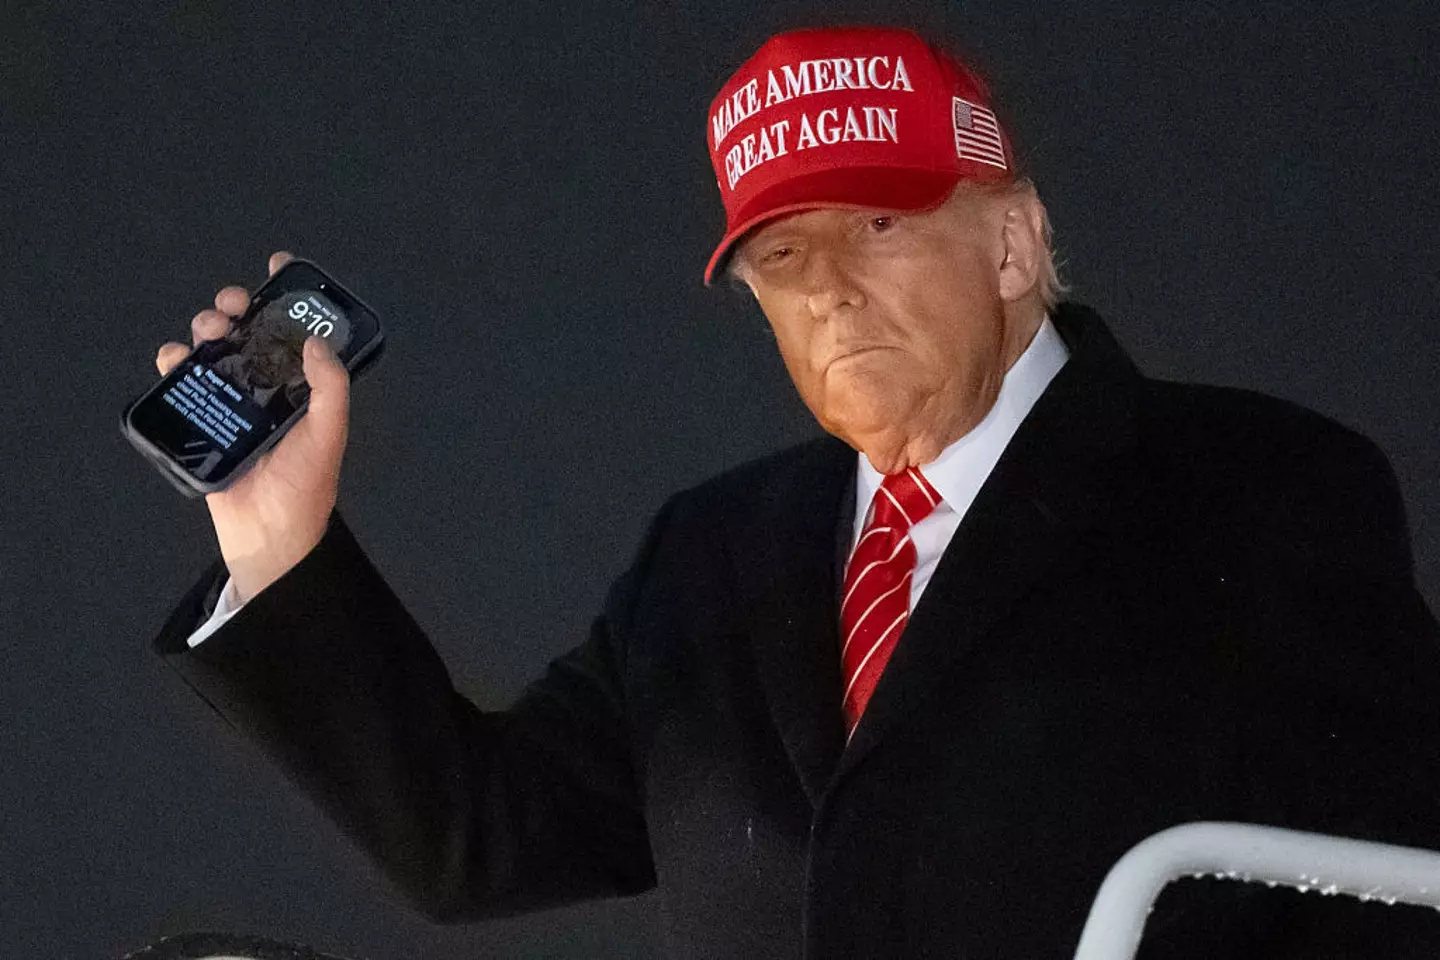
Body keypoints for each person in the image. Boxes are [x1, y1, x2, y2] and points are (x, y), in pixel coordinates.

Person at [149, 25, 1440, 959]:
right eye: (779, 252)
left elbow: (1387, 879)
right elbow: (481, 844)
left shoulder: (1252, 484)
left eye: (878, 225)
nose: (826, 287)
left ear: (1011, 241)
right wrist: (281, 538)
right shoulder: (719, 545)